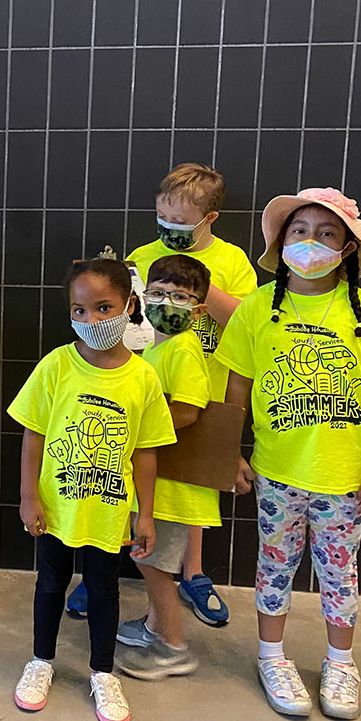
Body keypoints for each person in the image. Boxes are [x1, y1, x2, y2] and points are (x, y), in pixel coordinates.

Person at [217, 188, 361, 720]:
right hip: (276, 472)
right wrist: (228, 453)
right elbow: (238, 385)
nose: (310, 242)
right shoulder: (257, 308)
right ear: (282, 243)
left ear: (347, 248)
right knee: (274, 566)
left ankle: (340, 661)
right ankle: (272, 656)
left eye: (326, 233)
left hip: (344, 477)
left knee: (339, 570)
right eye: (299, 230)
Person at [69, 164, 256, 626]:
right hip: (147, 386)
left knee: (188, 489)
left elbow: (246, 323)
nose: (169, 232)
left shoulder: (232, 260)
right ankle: (101, 574)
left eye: (180, 224)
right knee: (130, 485)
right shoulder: (144, 254)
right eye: (163, 221)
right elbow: (128, 320)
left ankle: (192, 574)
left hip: (204, 391)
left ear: (209, 218)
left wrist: (196, 284)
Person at [9, 258, 176, 721]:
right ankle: (41, 662)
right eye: (79, 310)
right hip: (56, 507)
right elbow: (33, 434)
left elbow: (146, 451)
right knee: (49, 583)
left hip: (109, 511)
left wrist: (145, 514)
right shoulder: (56, 366)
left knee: (103, 589)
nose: (92, 321)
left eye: (104, 308)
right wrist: (29, 496)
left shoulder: (143, 377)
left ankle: (103, 672)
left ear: (129, 305)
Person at [114, 255, 216, 681]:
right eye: (157, 293)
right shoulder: (155, 346)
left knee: (154, 564)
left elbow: (188, 410)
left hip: (173, 485)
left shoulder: (184, 349)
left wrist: (137, 433)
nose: (166, 302)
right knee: (148, 558)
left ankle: (173, 646)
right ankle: (155, 625)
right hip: (156, 481)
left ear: (199, 309)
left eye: (179, 296)